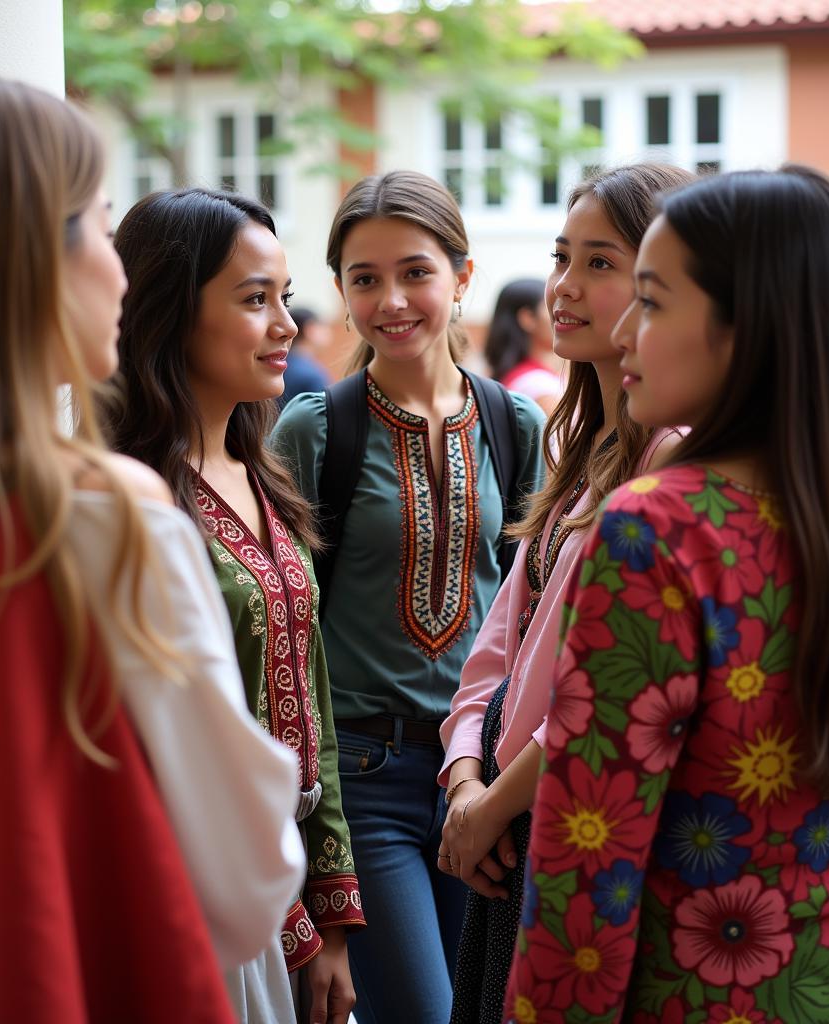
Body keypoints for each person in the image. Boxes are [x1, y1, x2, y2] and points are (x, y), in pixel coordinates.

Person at [0, 74, 305, 1022]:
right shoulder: (107, 521)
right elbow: (243, 876)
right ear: (31, 260)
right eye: (102, 228)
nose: (122, 268)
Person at [503, 165, 829, 1023]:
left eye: (653, 300)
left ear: (745, 327)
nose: (625, 329)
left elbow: (585, 867)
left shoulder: (658, 529)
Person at [272, 170, 547, 1024]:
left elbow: (528, 618)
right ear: (341, 290)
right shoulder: (316, 430)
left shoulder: (516, 426)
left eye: (416, 272)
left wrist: (495, 780)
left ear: (462, 276)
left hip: (482, 780)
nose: (391, 299)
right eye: (364, 278)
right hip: (365, 784)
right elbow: (287, 629)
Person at [100, 187, 364, 1024]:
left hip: (285, 893)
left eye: (283, 296)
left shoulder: (266, 481)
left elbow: (311, 706)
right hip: (196, 888)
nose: (287, 323)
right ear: (172, 311)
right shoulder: (130, 502)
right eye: (255, 300)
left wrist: (331, 914)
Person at [438, 164, 692, 1024]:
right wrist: (464, 772)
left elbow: (607, 687)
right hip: (507, 811)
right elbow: (500, 641)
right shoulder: (584, 444)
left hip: (559, 816)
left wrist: (492, 804)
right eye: (560, 257)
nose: (564, 287)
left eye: (601, 263)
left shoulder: (671, 459)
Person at [484, 278, 563, 416]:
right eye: (553, 308)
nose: (562, 317)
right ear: (528, 318)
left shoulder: (510, 377)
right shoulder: (539, 386)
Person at [280, 306, 331, 407]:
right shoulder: (311, 374)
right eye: (322, 326)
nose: (328, 332)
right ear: (310, 329)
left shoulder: (279, 365)